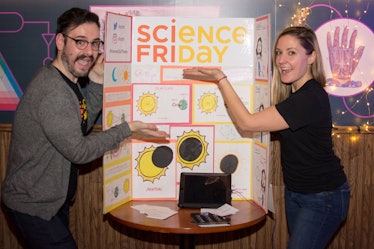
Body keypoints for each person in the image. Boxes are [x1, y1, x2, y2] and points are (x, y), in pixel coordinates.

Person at [1, 7, 169, 249]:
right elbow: (78, 151)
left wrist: (98, 80)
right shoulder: (53, 91)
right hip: (33, 206)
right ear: (60, 41)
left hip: (49, 202)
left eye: (95, 44)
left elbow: (81, 123)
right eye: (80, 42)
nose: (89, 52)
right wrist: (127, 129)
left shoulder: (66, 81)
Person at [183, 26, 350, 249]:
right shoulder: (295, 95)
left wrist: (220, 78)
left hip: (323, 197)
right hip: (296, 193)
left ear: (311, 57)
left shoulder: (309, 98)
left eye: (291, 52)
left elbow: (248, 123)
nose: (282, 60)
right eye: (278, 53)